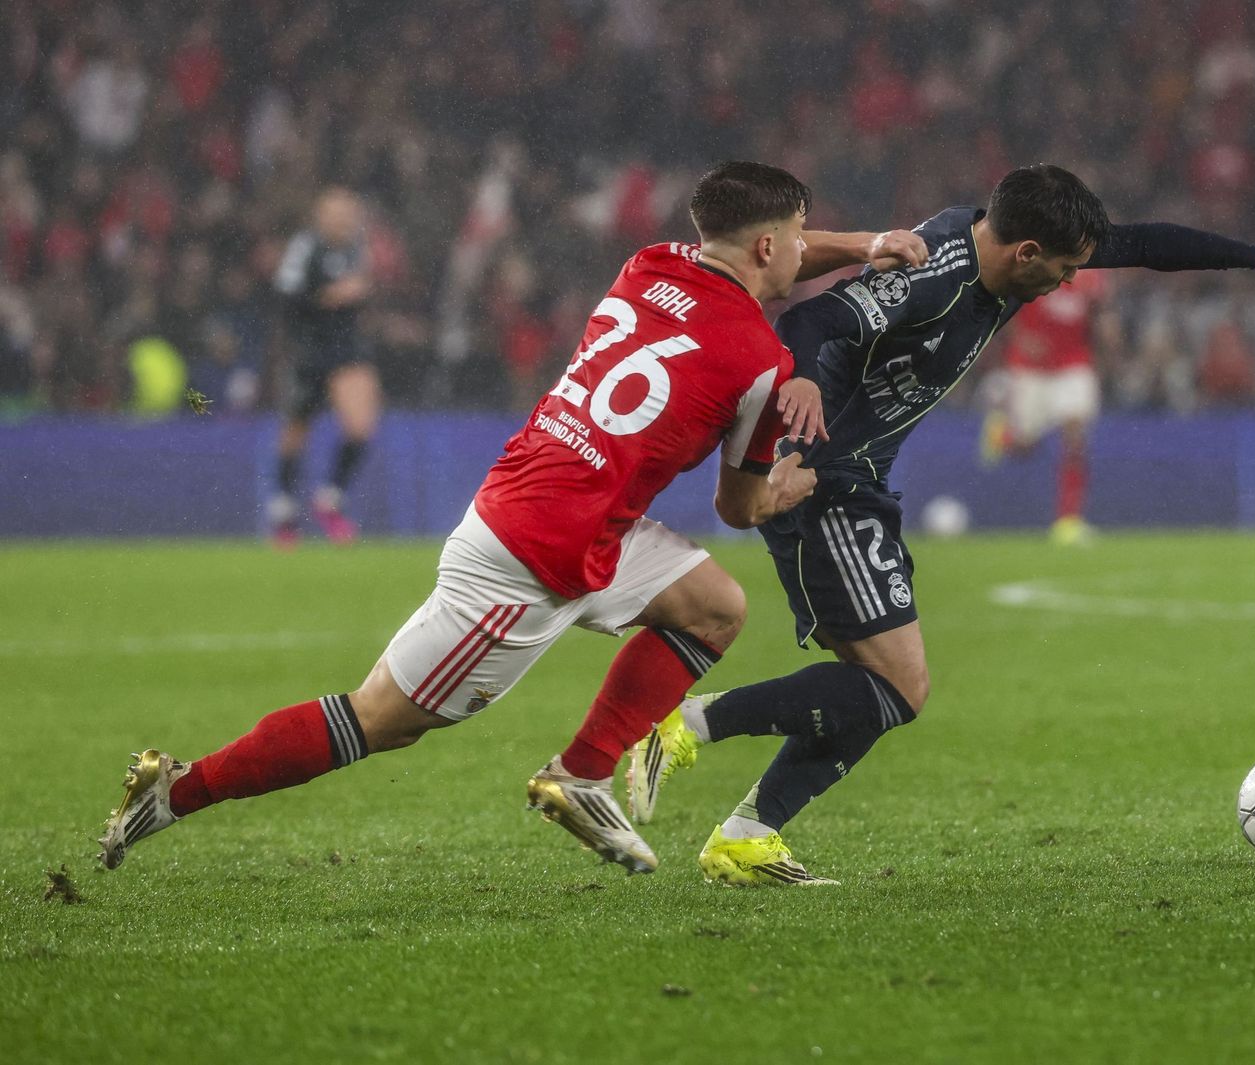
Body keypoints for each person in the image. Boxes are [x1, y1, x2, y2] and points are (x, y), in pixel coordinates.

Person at [98, 161, 927, 876]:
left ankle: (581, 774)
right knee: (379, 718)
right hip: (527, 558)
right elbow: (736, 506)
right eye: (801, 232)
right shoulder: (763, 365)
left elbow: (765, 253)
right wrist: (786, 488)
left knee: (714, 607)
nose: (805, 244)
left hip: (568, 510)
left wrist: (859, 246)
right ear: (771, 246)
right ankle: (177, 788)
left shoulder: (652, 262)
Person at [628, 164, 1255, 886]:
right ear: (1025, 254)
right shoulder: (935, 278)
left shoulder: (1011, 247)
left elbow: (1134, 243)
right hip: (823, 483)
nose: (1068, 283)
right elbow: (813, 316)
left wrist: (1254, 256)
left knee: (885, 686)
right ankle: (684, 727)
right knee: (896, 685)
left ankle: (745, 832)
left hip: (859, 483)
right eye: (1064, 271)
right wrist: (807, 379)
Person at [269, 187, 379, 547]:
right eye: (336, 213)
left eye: (348, 213)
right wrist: (328, 297)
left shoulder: (356, 249)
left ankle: (330, 499)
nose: (344, 220)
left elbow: (363, 291)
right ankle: (284, 512)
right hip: (309, 350)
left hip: (347, 349)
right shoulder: (305, 247)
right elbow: (285, 296)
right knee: (297, 429)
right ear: (320, 216)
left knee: (361, 426)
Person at [979, 267, 1120, 546]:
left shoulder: (1092, 278)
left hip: (1073, 364)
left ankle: (1067, 521)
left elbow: (1100, 315)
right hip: (1030, 367)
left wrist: (1109, 339)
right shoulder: (1039, 267)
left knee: (1075, 433)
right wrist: (1020, 337)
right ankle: (1002, 436)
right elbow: (1006, 302)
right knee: (1025, 445)